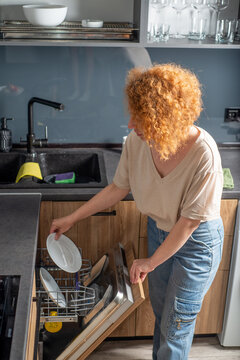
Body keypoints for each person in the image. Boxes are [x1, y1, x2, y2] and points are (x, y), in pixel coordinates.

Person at [50, 63, 224, 360]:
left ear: (165, 118)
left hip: (196, 245)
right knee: (163, 313)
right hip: (159, 231)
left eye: (140, 117)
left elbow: (189, 223)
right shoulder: (137, 142)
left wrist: (151, 262)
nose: (131, 124)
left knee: (176, 324)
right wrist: (72, 218)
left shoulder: (203, 154)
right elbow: (117, 189)